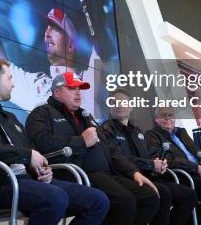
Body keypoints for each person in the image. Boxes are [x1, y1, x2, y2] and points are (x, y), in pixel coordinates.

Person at [0, 57, 109, 225]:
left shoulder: (10, 118)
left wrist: (42, 169)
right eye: (10, 78)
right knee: (55, 198)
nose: (13, 84)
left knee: (98, 201)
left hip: (27, 181)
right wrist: (27, 155)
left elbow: (31, 152)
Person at [25, 72, 160, 225]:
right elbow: (43, 144)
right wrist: (81, 141)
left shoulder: (85, 116)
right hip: (76, 173)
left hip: (107, 174)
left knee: (148, 197)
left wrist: (133, 172)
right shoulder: (42, 113)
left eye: (79, 89)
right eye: (72, 88)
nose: (78, 92)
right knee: (124, 201)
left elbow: (111, 149)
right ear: (56, 92)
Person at [0, 0, 103, 112]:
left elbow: (101, 43)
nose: (47, 32)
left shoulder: (87, 82)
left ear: (71, 46)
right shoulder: (36, 85)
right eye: (46, 27)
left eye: (55, 28)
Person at [102, 89, 197, 225]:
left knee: (189, 195)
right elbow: (120, 158)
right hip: (125, 177)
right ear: (110, 106)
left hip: (149, 176)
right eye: (115, 102)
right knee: (163, 193)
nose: (120, 105)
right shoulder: (106, 129)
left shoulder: (138, 131)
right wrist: (151, 164)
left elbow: (152, 154)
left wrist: (160, 163)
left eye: (124, 101)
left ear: (131, 106)